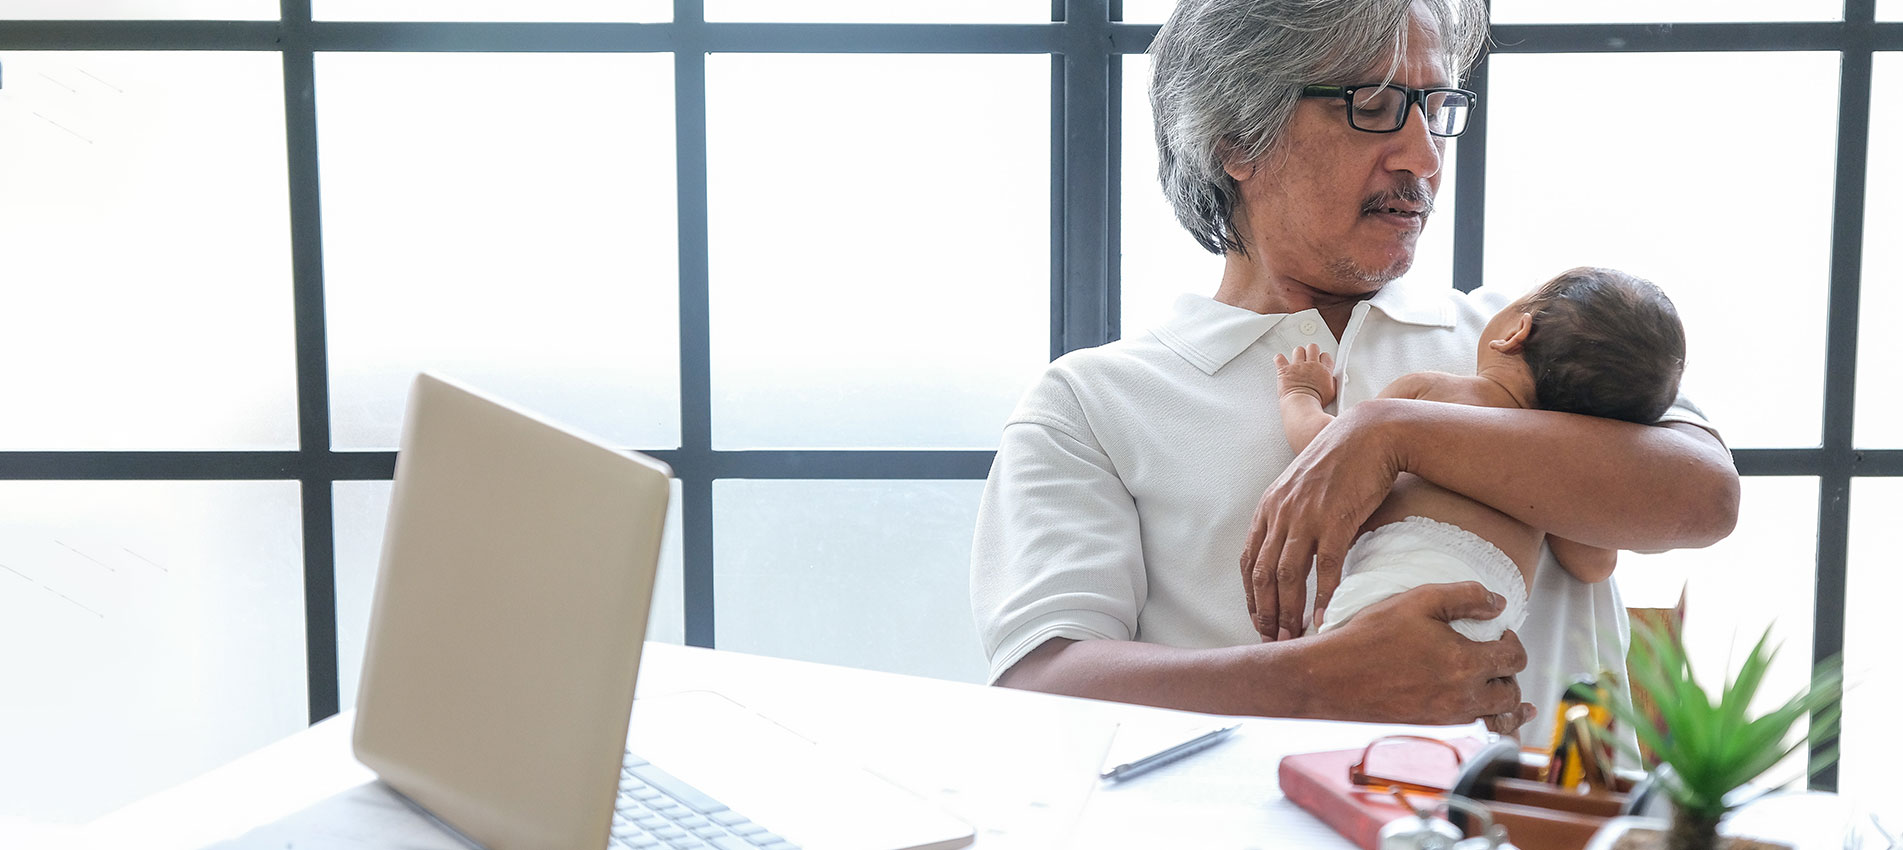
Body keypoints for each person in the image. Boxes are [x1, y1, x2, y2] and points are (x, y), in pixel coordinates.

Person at [969, 0, 1739, 740]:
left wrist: (1392, 432)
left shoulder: (1530, 345)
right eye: (1371, 103)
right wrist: (1311, 682)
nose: (1424, 156)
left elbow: (1703, 499)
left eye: (1433, 107)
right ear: (1237, 136)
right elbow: (1042, 686)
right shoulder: (1091, 403)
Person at [1273, 267, 1687, 642]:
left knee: (1323, 694)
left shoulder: (1433, 393)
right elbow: (1592, 566)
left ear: (1516, 332)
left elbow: (1328, 454)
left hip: (1390, 589)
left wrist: (1301, 394)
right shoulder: (1560, 479)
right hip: (1486, 620)